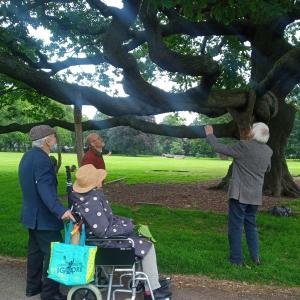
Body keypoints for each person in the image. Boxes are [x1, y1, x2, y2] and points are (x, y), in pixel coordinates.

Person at [69, 164, 172, 300]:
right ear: (94, 183)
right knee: (147, 246)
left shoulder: (89, 198)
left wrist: (126, 222)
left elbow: (107, 221)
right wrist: (127, 227)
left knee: (140, 239)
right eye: (100, 178)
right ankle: (151, 290)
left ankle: (150, 280)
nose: (103, 180)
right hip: (103, 243)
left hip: (100, 239)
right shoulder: (91, 203)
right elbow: (103, 231)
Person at [19, 125, 75, 300]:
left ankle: (33, 287)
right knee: (55, 253)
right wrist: (61, 211)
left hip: (31, 215)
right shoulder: (43, 159)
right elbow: (44, 189)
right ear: (47, 140)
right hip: (43, 217)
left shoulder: (27, 156)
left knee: (35, 253)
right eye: (54, 136)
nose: (55, 139)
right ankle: (50, 294)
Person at [204, 122, 273, 266]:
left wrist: (210, 134)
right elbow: (267, 169)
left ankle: (236, 260)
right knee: (251, 225)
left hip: (240, 195)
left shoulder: (243, 146)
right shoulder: (268, 151)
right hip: (255, 196)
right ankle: (255, 258)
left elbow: (219, 147)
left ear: (254, 133)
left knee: (235, 227)